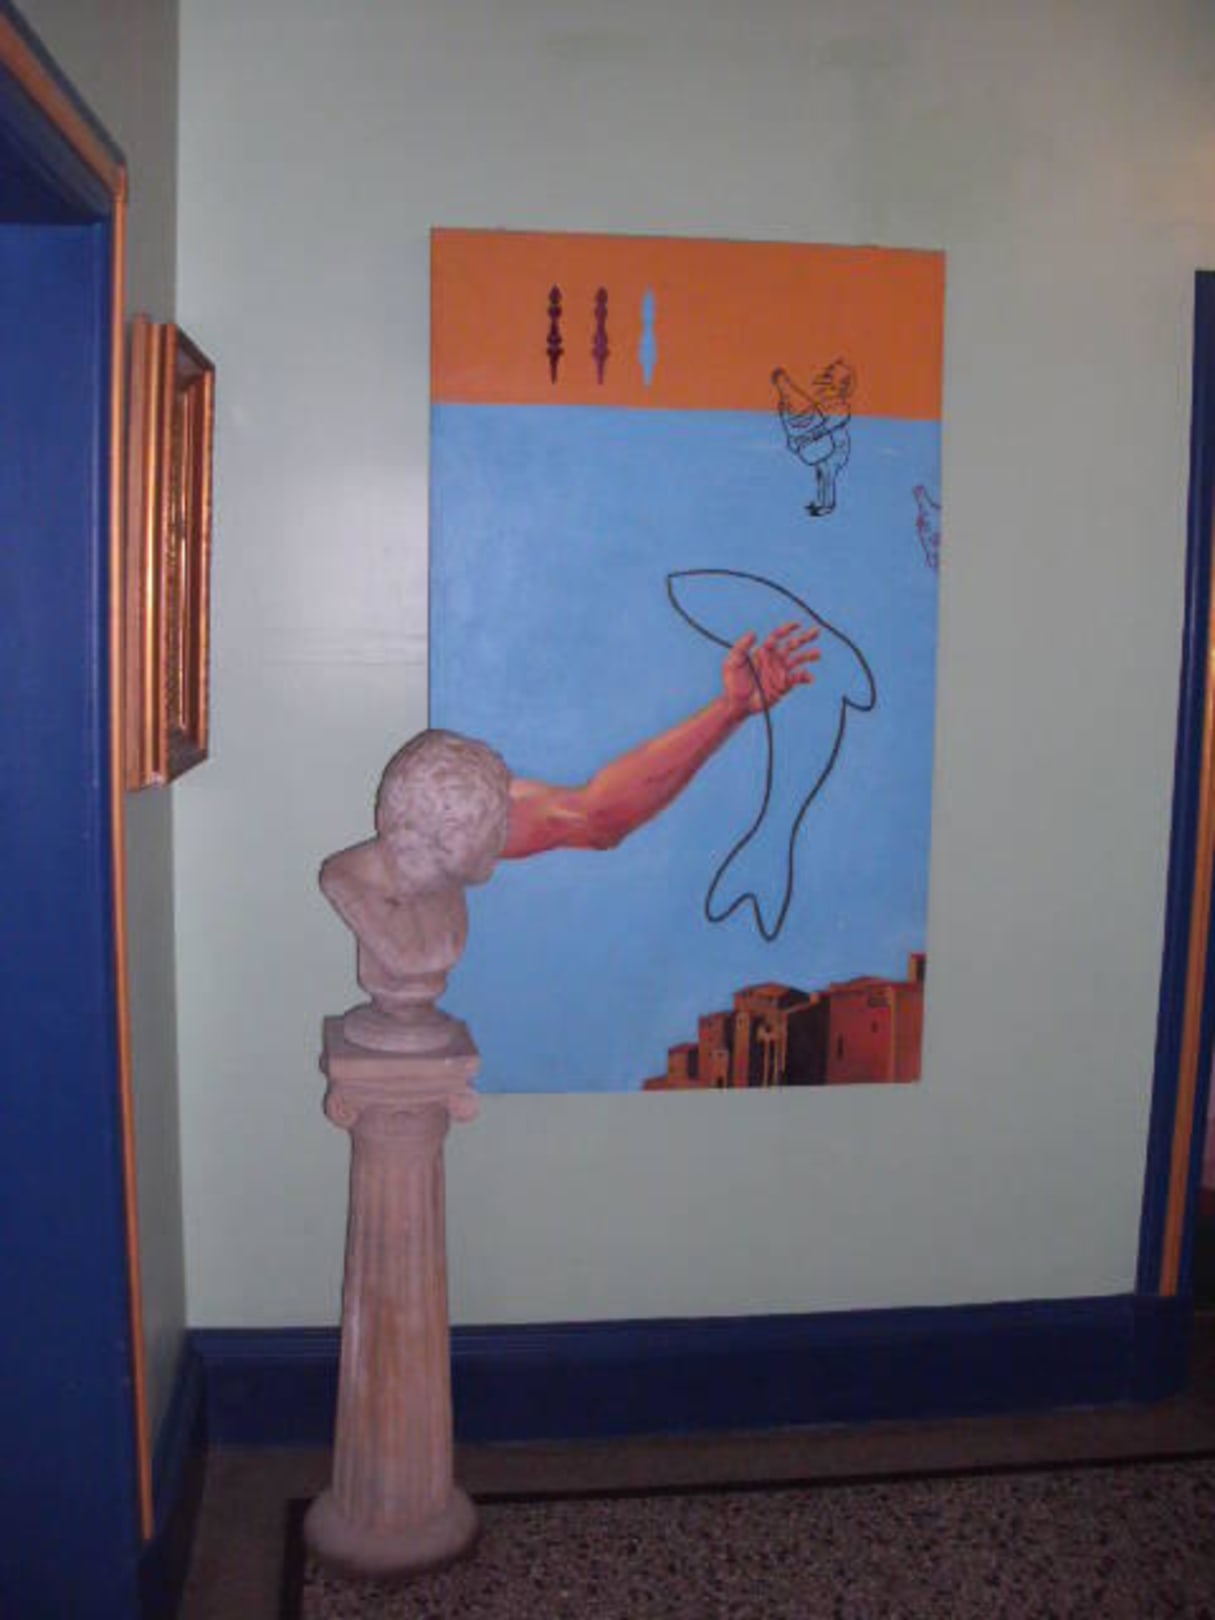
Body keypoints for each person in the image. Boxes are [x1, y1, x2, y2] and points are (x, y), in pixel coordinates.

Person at [502, 621, 819, 857]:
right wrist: (729, 709)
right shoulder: (472, 803)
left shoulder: (475, 795)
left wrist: (731, 708)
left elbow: (591, 817)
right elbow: (589, 818)